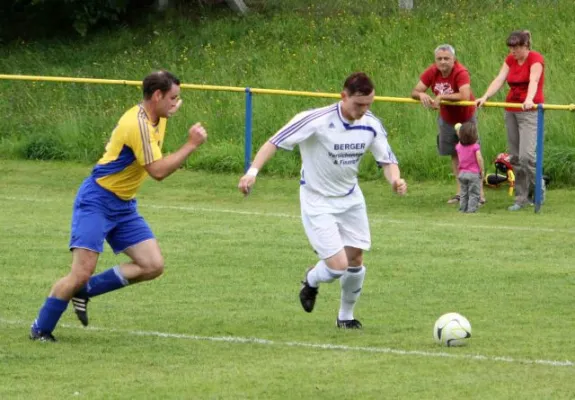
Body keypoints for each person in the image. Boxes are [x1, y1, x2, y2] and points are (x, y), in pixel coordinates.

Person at [30, 70, 208, 342]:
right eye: (173, 98)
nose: (176, 104)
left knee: (152, 265)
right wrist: (191, 144)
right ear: (157, 95)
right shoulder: (137, 124)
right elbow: (158, 171)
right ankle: (41, 328)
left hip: (123, 205)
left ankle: (84, 291)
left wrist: (172, 105)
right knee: (80, 272)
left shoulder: (157, 115)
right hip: (97, 200)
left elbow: (152, 119)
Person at [237, 72, 407, 329]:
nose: (364, 110)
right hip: (318, 200)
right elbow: (274, 142)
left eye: (369, 104)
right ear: (343, 96)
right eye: (358, 104)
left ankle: (346, 317)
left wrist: (395, 179)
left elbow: (387, 159)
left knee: (356, 259)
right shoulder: (315, 120)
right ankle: (312, 279)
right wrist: (252, 173)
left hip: (350, 198)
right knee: (338, 265)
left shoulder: (371, 124)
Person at [476, 30, 545, 211]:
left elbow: (534, 80)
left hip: (529, 112)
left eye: (515, 48)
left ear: (525, 46)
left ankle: (539, 186)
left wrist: (529, 99)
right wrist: (485, 97)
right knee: (515, 157)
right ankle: (521, 198)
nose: (512, 51)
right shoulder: (510, 60)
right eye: (511, 48)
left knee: (527, 156)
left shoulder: (535, 59)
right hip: (511, 110)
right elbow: (499, 79)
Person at [411, 44, 485, 205]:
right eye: (439, 59)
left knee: (472, 154)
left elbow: (464, 95)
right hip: (447, 118)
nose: (443, 62)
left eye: (446, 58)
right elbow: (414, 92)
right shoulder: (432, 71)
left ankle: (479, 194)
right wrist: (422, 94)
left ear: (453, 59)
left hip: (466, 116)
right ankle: (460, 193)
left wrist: (442, 96)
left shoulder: (461, 72)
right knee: (455, 153)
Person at [455, 122, 484, 213]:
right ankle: (471, 209)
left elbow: (459, 158)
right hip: (473, 174)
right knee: (474, 193)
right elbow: (479, 158)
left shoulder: (459, 147)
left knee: (463, 193)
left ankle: (462, 209)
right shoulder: (475, 147)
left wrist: (459, 133)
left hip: (462, 173)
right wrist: (482, 170)